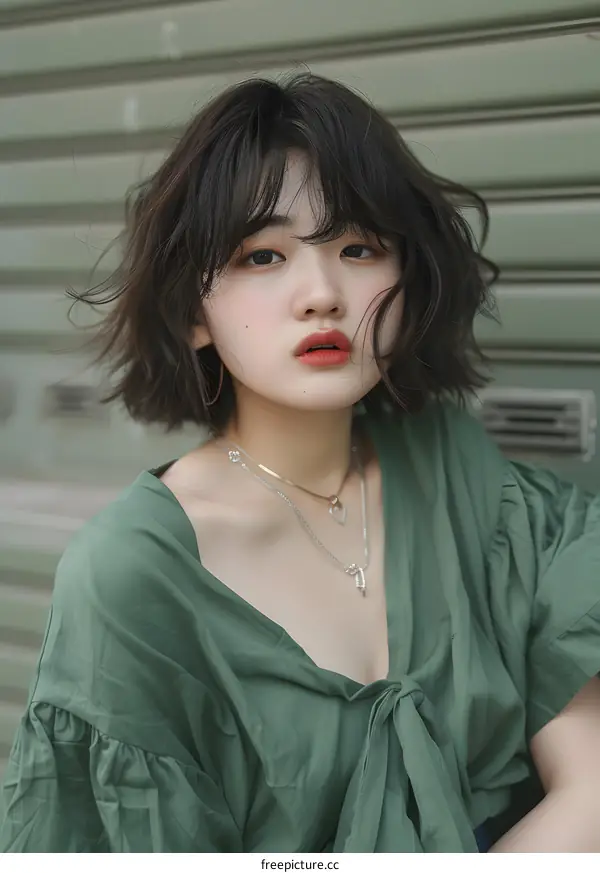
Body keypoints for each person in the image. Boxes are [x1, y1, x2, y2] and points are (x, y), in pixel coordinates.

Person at [1, 73, 599, 854]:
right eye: (262, 256)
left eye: (358, 247)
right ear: (191, 312)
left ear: (408, 280)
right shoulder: (133, 575)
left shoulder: (471, 490)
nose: (322, 293)